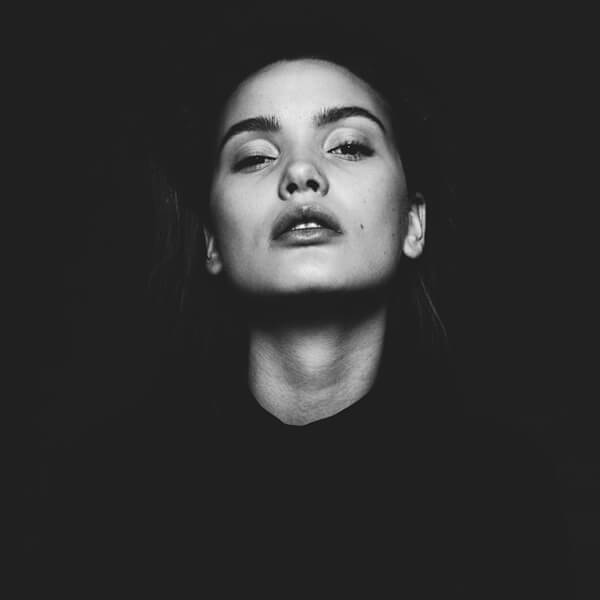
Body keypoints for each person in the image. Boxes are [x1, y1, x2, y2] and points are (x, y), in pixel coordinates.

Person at [40, 37, 572, 598]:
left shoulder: (505, 497)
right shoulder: (106, 493)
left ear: (414, 224)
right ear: (211, 241)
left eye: (348, 146)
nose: (300, 172)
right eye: (254, 156)